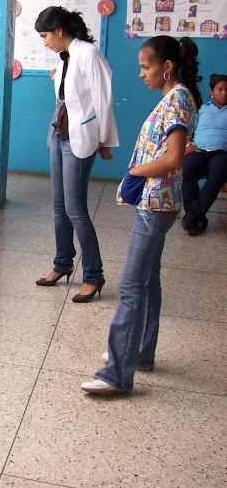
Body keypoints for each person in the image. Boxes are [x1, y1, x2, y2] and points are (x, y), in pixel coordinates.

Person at [82, 35, 202, 394]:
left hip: (157, 203)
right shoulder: (175, 98)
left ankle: (117, 374)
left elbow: (175, 157)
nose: (141, 74)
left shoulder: (177, 99)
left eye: (146, 67)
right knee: (148, 281)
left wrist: (135, 172)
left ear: (167, 67)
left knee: (133, 286)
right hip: (158, 202)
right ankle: (141, 353)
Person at [33, 6, 119, 303]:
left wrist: (105, 140)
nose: (44, 42)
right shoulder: (66, 56)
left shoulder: (89, 55)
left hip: (79, 139)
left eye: (45, 35)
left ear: (59, 30)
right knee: (59, 206)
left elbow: (103, 100)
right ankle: (63, 264)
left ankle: (93, 276)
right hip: (60, 135)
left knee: (76, 210)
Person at [180, 73, 227, 235]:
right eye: (220, 89)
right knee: (188, 169)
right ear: (212, 91)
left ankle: (192, 217)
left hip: (221, 154)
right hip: (199, 151)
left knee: (217, 174)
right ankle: (195, 217)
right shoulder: (201, 109)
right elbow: (188, 129)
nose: (224, 93)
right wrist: (188, 144)